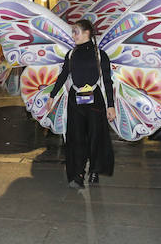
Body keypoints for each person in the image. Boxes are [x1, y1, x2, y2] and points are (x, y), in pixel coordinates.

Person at [45, 20, 116, 188]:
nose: (73, 35)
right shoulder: (71, 54)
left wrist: (110, 105)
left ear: (87, 33)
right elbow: (63, 76)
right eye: (73, 32)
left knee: (95, 137)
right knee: (75, 138)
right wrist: (52, 96)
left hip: (95, 100)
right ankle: (77, 174)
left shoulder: (100, 55)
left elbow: (107, 81)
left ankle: (94, 171)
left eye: (76, 32)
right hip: (75, 100)